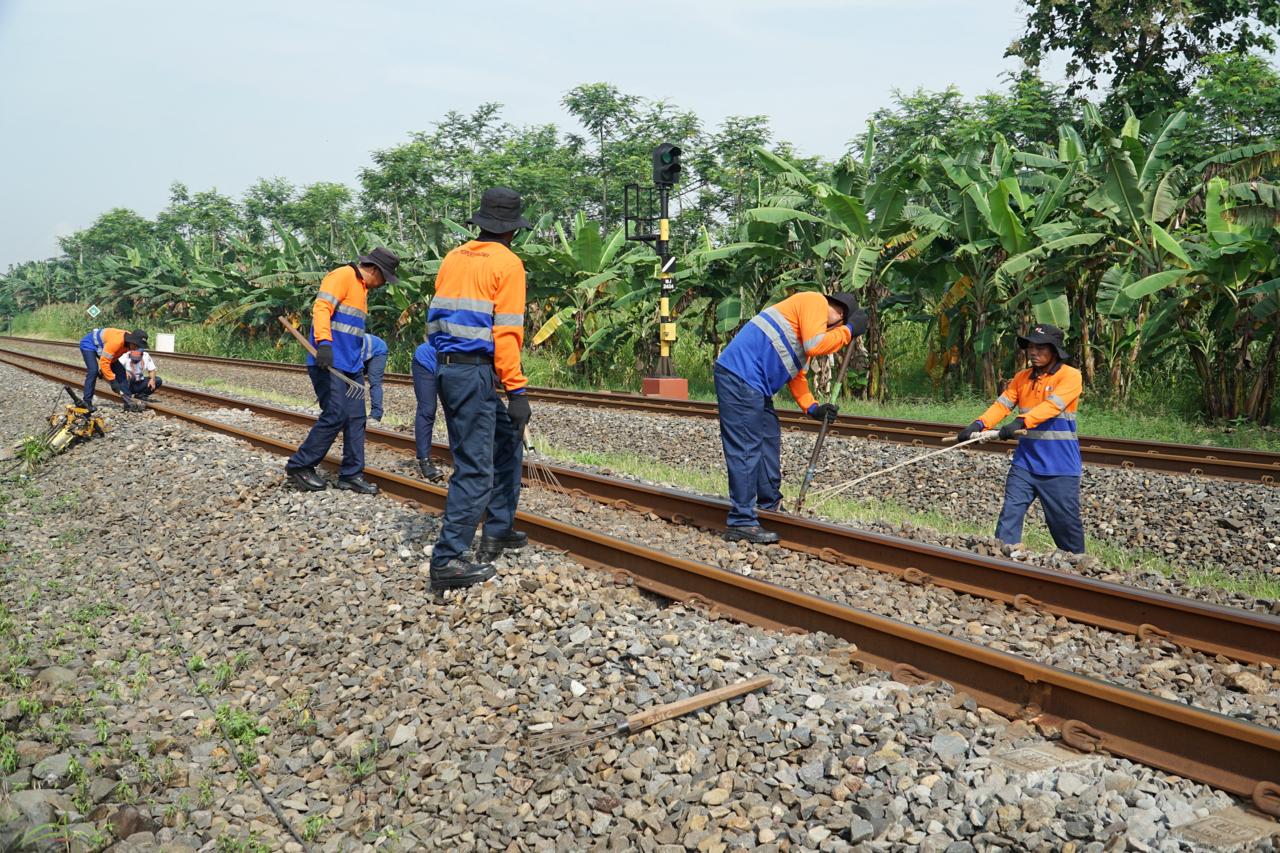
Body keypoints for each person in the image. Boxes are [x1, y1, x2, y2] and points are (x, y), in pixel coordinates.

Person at [427, 187, 532, 589]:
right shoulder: (508, 263)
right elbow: (506, 333)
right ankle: (448, 559)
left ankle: (498, 529)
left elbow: (436, 316)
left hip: (447, 368)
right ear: (512, 230)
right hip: (475, 372)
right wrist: (517, 392)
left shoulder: (455, 257)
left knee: (505, 443)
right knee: (475, 466)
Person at [714, 291, 868, 543]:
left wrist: (812, 408)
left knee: (768, 438)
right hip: (739, 376)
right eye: (840, 322)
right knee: (746, 446)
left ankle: (768, 504)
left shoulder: (804, 326)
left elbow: (796, 374)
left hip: (754, 385)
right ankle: (741, 521)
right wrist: (849, 331)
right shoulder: (815, 302)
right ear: (839, 314)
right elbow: (815, 345)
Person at [955, 323, 1085, 554]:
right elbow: (1002, 405)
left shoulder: (1071, 376)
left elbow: (1051, 407)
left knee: (1064, 524)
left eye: (1040, 347)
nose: (1033, 352)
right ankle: (1002, 558)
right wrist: (979, 424)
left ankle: (1077, 565)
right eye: (1030, 347)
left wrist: (1020, 422)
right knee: (1010, 513)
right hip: (1025, 463)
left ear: (1054, 350)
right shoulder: (1022, 377)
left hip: (1060, 467)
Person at [284, 248, 399, 494]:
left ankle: (351, 475)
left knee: (356, 419)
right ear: (375, 270)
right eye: (384, 277)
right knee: (335, 414)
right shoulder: (343, 276)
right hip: (329, 363)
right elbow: (322, 307)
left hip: (351, 366)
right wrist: (324, 343)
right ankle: (300, 465)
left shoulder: (362, 289)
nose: (382, 284)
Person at [78, 327, 148, 411]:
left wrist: (106, 372)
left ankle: (128, 402)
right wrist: (112, 381)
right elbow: (104, 362)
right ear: (132, 341)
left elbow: (113, 357)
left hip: (103, 348)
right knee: (93, 371)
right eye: (136, 346)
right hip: (89, 344)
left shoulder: (129, 344)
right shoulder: (116, 342)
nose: (136, 348)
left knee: (121, 371)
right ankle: (87, 402)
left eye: (139, 346)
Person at [411, 338, 444, 481]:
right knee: (428, 410)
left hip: (451, 366)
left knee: (456, 411)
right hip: (426, 361)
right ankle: (424, 460)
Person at [361, 333, 389, 422]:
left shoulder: (353, 343)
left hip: (378, 351)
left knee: (374, 382)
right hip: (365, 353)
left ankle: (376, 415)